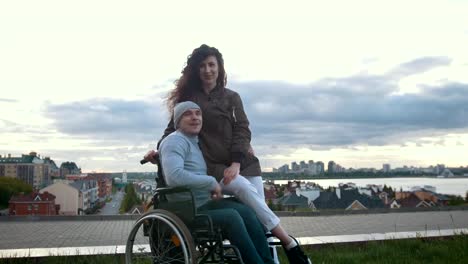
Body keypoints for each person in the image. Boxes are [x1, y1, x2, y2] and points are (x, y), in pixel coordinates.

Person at [147, 44, 311, 264]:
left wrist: (237, 162)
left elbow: (243, 129)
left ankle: (275, 259)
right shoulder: (191, 100)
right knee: (242, 190)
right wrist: (159, 150)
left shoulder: (232, 97)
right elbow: (173, 131)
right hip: (214, 166)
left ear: (219, 68)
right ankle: (290, 244)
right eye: (202, 65)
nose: (207, 70)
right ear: (196, 70)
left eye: (212, 65)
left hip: (243, 162)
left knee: (259, 217)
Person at [156, 101, 275, 264]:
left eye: (198, 113)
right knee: (232, 216)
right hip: (186, 210)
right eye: (188, 114)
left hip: (201, 204)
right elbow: (174, 177)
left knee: (246, 209)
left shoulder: (194, 142)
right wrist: (211, 182)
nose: (195, 117)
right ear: (177, 121)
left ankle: (267, 261)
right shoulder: (175, 141)